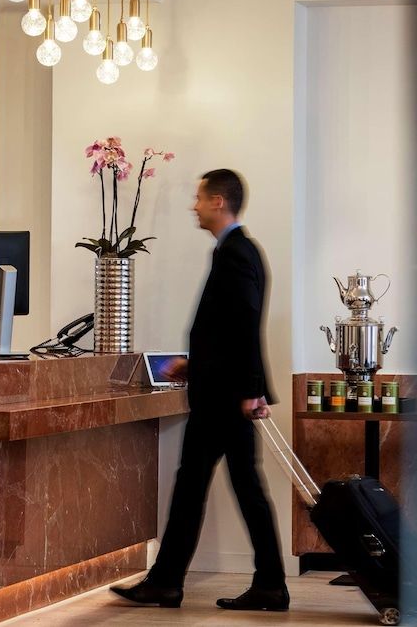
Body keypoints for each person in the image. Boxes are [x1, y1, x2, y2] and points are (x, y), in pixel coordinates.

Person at [111, 169, 288, 611]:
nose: (194, 205)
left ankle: (175, 581)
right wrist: (194, 365)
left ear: (218, 201)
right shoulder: (236, 250)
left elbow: (245, 325)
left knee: (212, 488)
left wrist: (251, 390)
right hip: (223, 392)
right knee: (214, 487)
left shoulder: (236, 253)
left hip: (224, 399)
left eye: (199, 197)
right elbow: (228, 332)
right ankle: (180, 581)